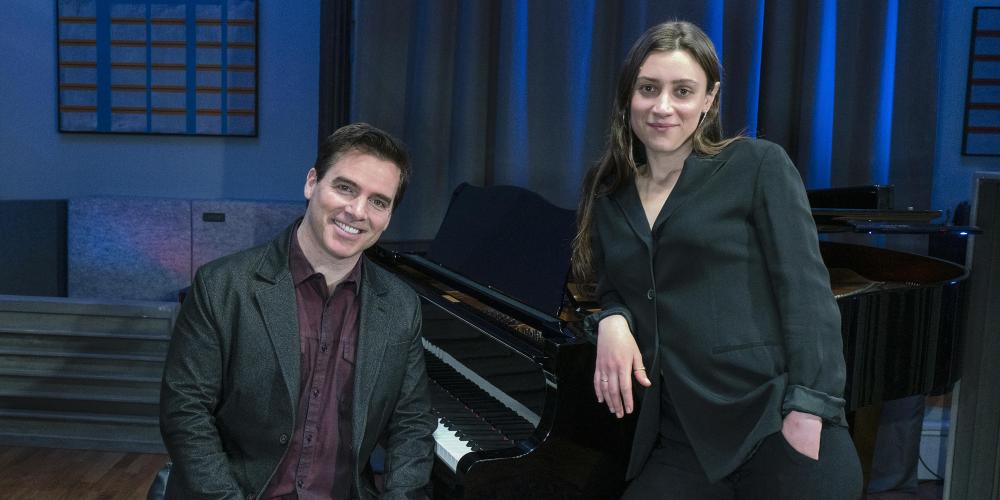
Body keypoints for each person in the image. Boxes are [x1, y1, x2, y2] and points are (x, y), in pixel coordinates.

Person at [572, 21, 862, 499]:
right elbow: (615, 287)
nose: (663, 106)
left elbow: (806, 295)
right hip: (681, 440)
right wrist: (613, 319)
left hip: (771, 424)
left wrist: (808, 413)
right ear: (628, 97)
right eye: (649, 89)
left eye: (683, 91)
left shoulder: (756, 165)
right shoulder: (609, 195)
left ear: (708, 100)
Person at [159, 123, 436, 500]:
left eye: (378, 201)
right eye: (345, 187)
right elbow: (185, 414)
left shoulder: (401, 306)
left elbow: (412, 424)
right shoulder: (222, 286)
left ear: (387, 216)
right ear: (311, 183)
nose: (357, 211)